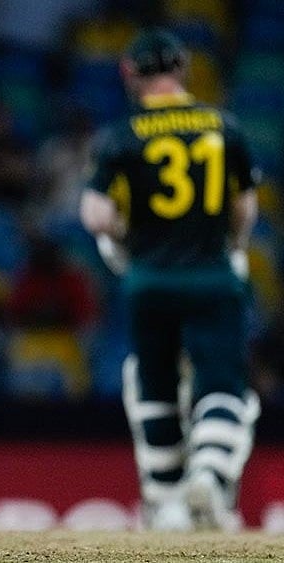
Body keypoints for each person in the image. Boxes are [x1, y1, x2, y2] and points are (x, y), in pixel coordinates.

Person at [80, 28, 260, 532]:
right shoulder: (225, 126)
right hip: (212, 278)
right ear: (181, 70)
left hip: (148, 281)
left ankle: (168, 502)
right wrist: (235, 248)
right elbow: (245, 207)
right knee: (222, 384)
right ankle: (208, 471)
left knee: (155, 388)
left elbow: (94, 214)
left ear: (131, 76)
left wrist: (127, 236)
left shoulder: (121, 135)